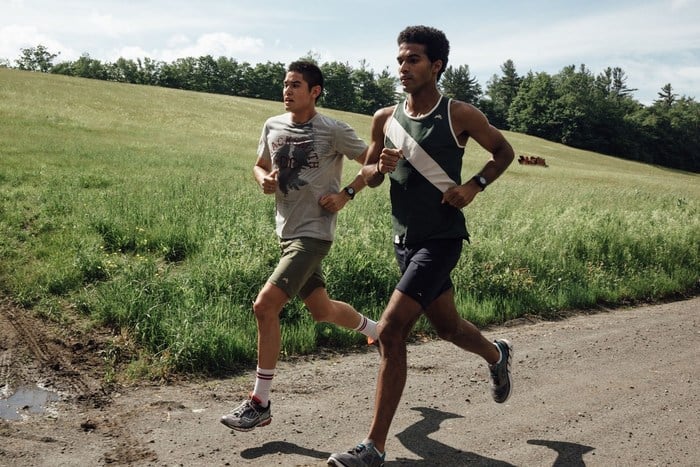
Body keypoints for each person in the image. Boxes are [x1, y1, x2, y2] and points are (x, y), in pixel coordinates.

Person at [327, 26, 515, 466]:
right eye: (400, 60)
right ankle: (496, 354)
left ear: (437, 66)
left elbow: (504, 152)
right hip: (404, 240)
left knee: (392, 332)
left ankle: (372, 447)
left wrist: (475, 185)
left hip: (443, 238)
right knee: (447, 327)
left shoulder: (459, 114)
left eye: (413, 59)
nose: (403, 67)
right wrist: (380, 166)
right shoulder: (384, 118)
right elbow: (371, 174)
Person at [220, 60, 379, 432]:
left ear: (315, 91)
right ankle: (379, 331)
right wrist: (263, 179)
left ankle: (260, 402)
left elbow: (372, 164)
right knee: (322, 310)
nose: (287, 90)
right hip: (286, 233)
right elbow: (258, 165)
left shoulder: (333, 130)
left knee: (265, 306)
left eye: (295, 85)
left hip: (314, 234)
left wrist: (347, 193)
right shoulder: (272, 125)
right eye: (285, 84)